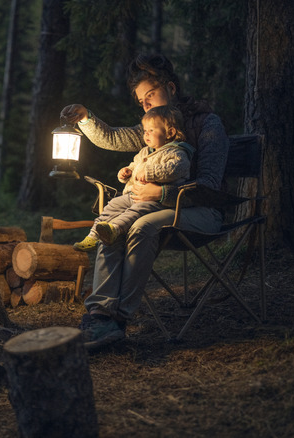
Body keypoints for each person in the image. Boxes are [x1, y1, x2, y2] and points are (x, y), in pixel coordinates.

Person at [60, 53, 229, 350]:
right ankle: (100, 314)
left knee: (141, 226)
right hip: (154, 208)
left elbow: (210, 187)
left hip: (203, 212)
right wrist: (86, 118)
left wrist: (162, 194)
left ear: (171, 88)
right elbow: (113, 137)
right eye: (141, 102)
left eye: (150, 96)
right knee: (114, 224)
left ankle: (119, 320)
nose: (146, 105)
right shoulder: (153, 128)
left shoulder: (207, 123)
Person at [73, 106, 195, 252]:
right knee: (112, 205)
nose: (146, 134)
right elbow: (134, 165)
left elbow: (175, 169)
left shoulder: (177, 152)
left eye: (151, 130)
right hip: (134, 195)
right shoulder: (144, 151)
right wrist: (127, 172)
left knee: (135, 211)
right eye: (145, 130)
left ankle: (114, 229)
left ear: (170, 132)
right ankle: (93, 236)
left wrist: (150, 173)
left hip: (156, 201)